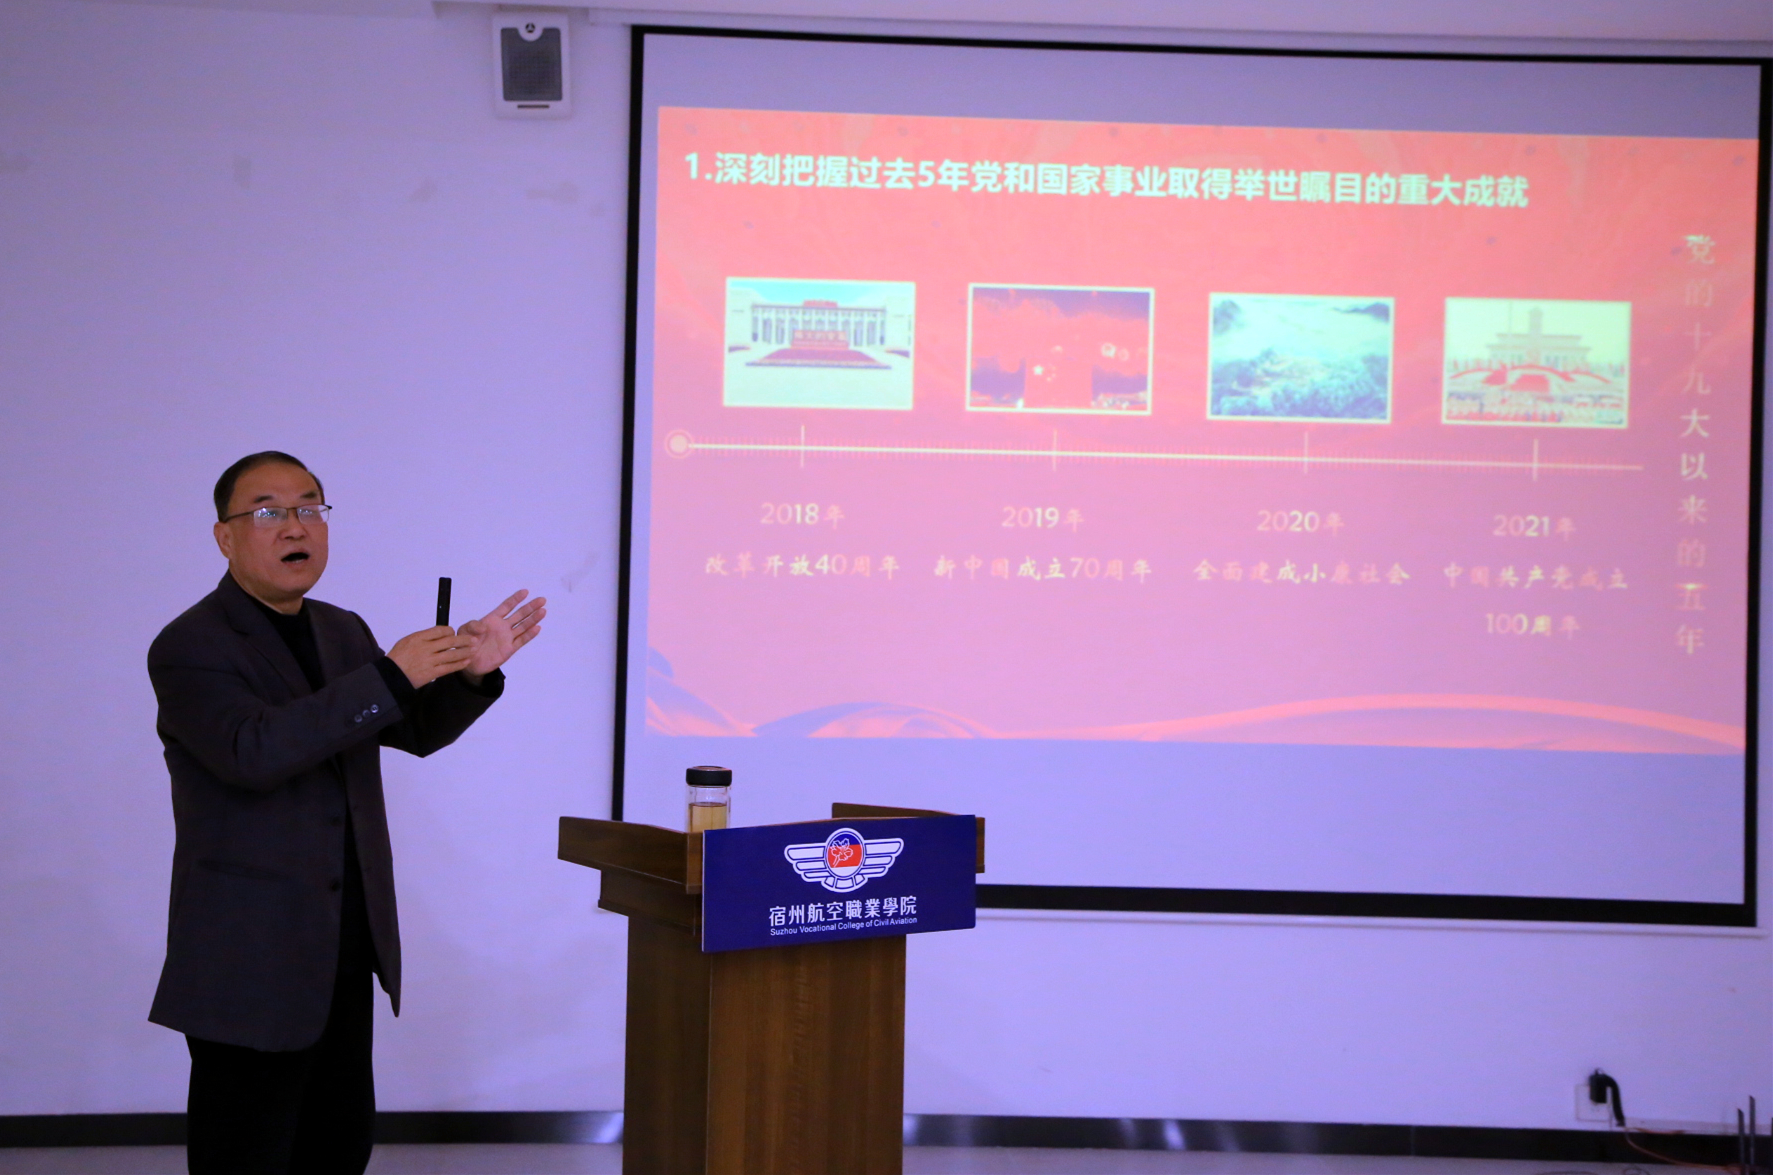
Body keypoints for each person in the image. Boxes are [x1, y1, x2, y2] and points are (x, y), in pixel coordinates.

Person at [146, 451, 545, 1175]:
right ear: (224, 536)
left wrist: (470, 677)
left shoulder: (342, 630)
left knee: (335, 1149)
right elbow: (253, 751)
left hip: (343, 944)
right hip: (249, 958)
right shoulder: (189, 644)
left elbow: (411, 729)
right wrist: (391, 674)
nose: (295, 526)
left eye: (310, 507)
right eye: (268, 511)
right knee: (247, 1156)